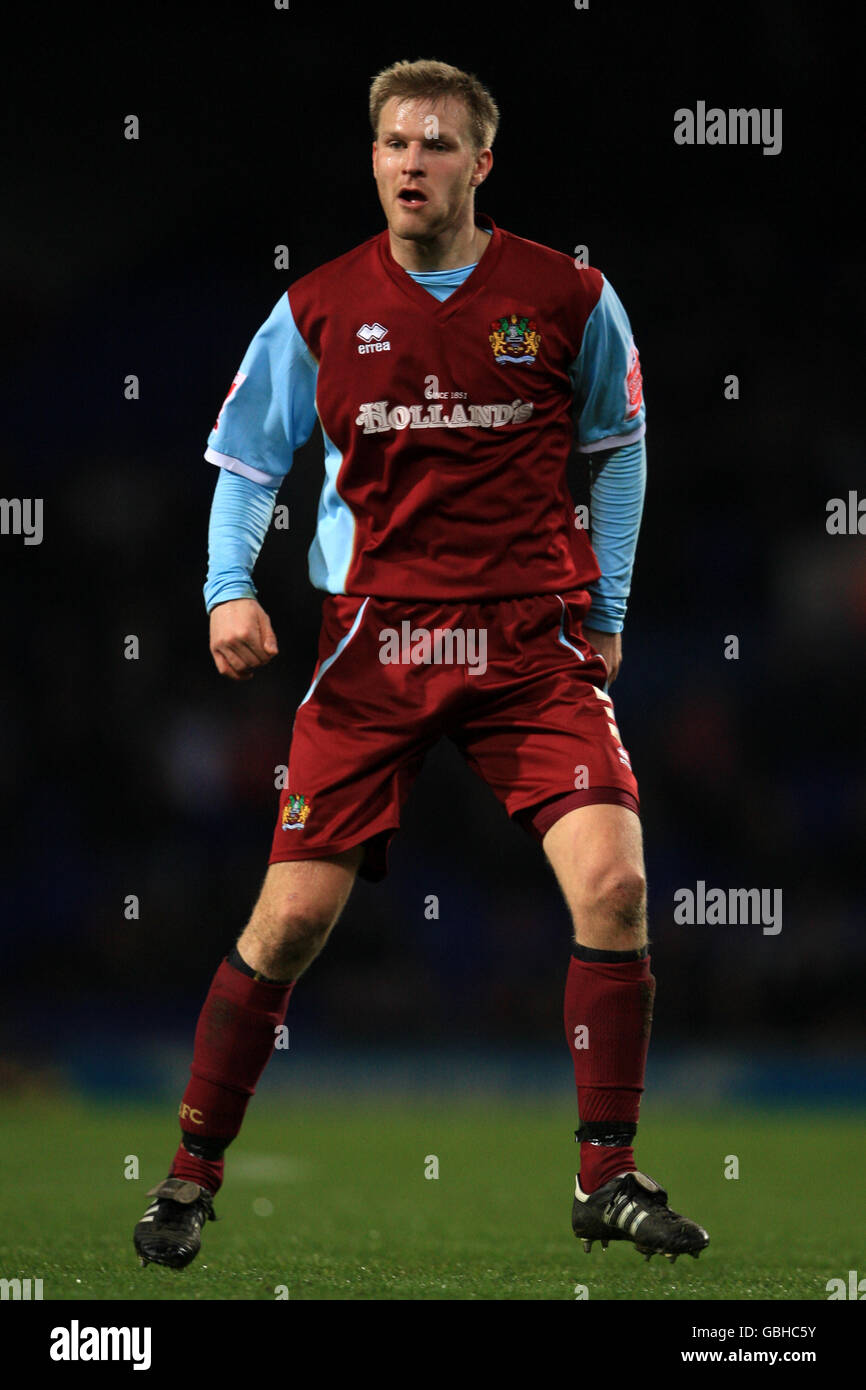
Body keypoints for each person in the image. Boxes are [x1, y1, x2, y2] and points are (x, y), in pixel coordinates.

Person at [134, 57, 708, 1272]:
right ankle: (188, 1175)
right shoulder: (319, 306)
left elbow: (620, 451)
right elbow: (245, 461)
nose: (412, 161)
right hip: (373, 643)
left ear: (479, 162)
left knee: (612, 887)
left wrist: (605, 605)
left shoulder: (566, 295)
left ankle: (604, 1174)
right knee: (288, 921)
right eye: (395, 142)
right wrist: (226, 587)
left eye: (437, 143)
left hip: (526, 641)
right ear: (374, 158)